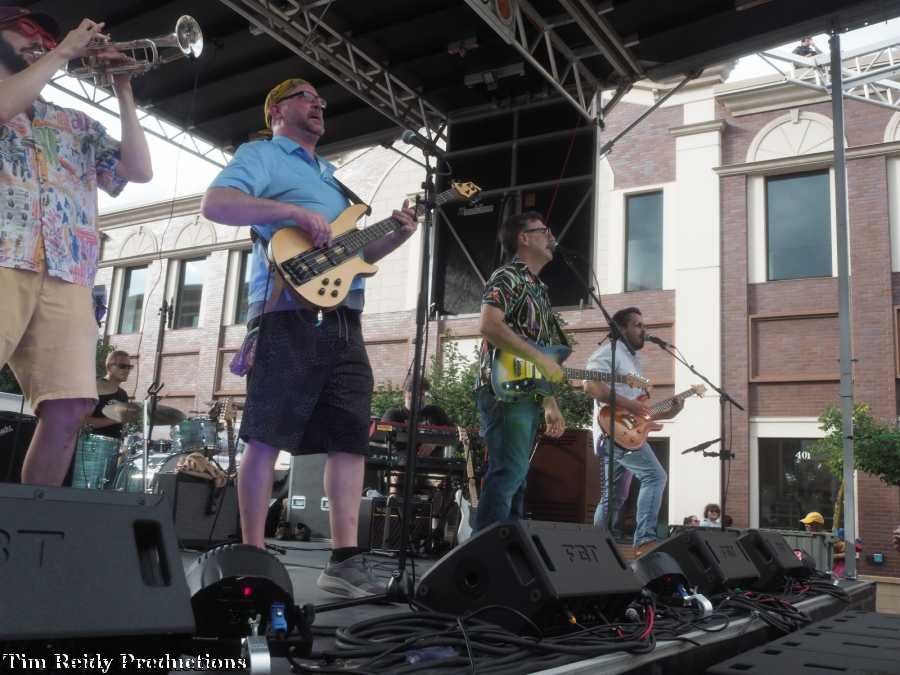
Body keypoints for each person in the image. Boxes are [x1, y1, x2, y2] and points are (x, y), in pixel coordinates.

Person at [201, 78, 417, 598]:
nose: (319, 102)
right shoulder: (262, 155)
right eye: (305, 95)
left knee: (349, 436)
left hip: (345, 315)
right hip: (286, 311)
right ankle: (253, 556)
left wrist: (396, 235)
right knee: (265, 433)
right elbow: (216, 204)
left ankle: (344, 561)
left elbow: (354, 258)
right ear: (277, 110)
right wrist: (292, 212)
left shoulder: (332, 178)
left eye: (321, 99)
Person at [0, 8, 152, 486]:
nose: (39, 40)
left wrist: (123, 88)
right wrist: (64, 51)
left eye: (46, 37)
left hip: (69, 271)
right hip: (4, 256)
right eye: (25, 31)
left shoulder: (73, 121)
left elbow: (138, 171)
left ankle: (30, 527)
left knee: (69, 408)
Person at [475, 211, 566, 532]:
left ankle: (507, 549)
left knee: (517, 479)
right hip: (502, 389)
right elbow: (489, 325)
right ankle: (484, 552)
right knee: (509, 473)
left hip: (525, 392)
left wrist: (549, 401)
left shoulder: (539, 289)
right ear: (524, 238)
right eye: (544, 231)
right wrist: (541, 360)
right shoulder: (508, 276)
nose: (552, 237)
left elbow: (543, 355)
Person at [585, 307, 681, 554]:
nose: (643, 330)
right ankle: (645, 540)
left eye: (643, 325)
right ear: (621, 328)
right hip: (614, 433)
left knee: (615, 497)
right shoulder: (608, 353)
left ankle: (595, 546)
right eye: (638, 325)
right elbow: (591, 386)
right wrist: (630, 405)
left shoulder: (631, 360)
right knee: (655, 476)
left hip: (625, 433)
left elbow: (638, 412)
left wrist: (667, 413)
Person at [381, 374, 453, 457]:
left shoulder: (435, 412)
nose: (420, 398)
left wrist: (434, 443)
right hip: (402, 461)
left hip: (433, 462)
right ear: (406, 394)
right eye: (417, 394)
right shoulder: (393, 414)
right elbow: (381, 430)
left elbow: (453, 435)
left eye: (422, 394)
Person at [83, 350, 132, 439]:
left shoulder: (123, 394)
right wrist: (114, 419)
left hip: (114, 445)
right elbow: (82, 422)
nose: (127, 370)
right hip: (90, 443)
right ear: (109, 367)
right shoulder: (95, 388)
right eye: (122, 366)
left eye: (129, 367)